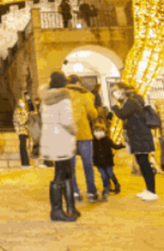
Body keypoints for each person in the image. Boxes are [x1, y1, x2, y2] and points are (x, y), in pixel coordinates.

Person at [40, 71, 77, 222]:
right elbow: (67, 121)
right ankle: (56, 211)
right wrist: (75, 131)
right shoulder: (64, 99)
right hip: (62, 138)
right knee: (61, 173)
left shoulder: (45, 100)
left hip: (50, 138)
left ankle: (70, 207)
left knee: (66, 171)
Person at [111, 82, 158, 201]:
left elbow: (122, 115)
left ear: (123, 90)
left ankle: (152, 191)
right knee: (141, 163)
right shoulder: (128, 102)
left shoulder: (131, 101)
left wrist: (114, 106)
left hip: (140, 136)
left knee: (145, 164)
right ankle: (149, 189)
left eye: (116, 90)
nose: (114, 94)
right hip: (137, 136)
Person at [66, 75, 100, 202]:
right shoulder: (85, 94)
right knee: (87, 163)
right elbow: (93, 114)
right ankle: (91, 192)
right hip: (83, 133)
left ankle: (74, 192)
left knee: (70, 165)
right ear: (79, 82)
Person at [91, 121, 124, 199]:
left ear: (104, 131)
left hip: (108, 161)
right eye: (96, 131)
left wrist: (122, 145)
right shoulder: (93, 142)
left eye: (100, 131)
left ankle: (116, 184)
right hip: (98, 162)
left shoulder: (107, 140)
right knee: (104, 176)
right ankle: (106, 188)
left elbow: (115, 146)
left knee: (110, 173)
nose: (98, 132)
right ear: (94, 132)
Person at [13, 98, 31, 168]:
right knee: (23, 146)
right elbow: (21, 121)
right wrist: (27, 117)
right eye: (20, 103)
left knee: (23, 146)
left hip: (25, 130)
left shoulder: (24, 111)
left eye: (22, 102)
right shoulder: (17, 111)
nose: (22, 104)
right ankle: (25, 163)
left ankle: (25, 163)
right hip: (20, 131)